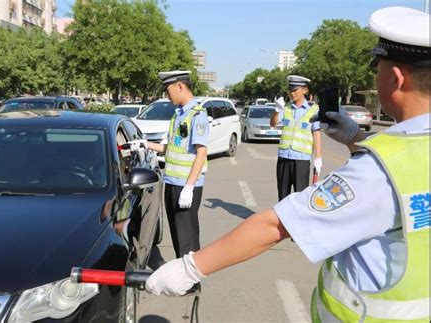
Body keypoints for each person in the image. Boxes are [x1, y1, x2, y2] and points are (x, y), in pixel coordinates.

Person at [144, 6, 430, 322]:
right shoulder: (399, 154)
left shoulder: (376, 171)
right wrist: (354, 140)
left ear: (395, 78)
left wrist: (190, 268)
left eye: (378, 71)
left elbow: (275, 225)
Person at [130, 70, 209, 258]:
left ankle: (190, 283)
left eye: (168, 90)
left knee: (187, 238)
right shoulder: (179, 115)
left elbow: (201, 152)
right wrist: (146, 144)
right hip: (172, 182)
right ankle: (183, 278)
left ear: (180, 86)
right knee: (177, 235)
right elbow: (171, 148)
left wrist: (189, 187)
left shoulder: (197, 115)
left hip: (185, 185)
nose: (167, 95)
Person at [270, 75, 322, 201]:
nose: (292, 93)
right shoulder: (286, 108)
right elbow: (273, 123)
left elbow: (316, 134)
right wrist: (277, 110)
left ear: (304, 90)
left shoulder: (314, 110)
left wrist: (318, 158)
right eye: (290, 91)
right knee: (283, 196)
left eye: (295, 90)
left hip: (301, 160)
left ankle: (297, 221)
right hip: (284, 157)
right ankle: (283, 221)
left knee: (300, 197)